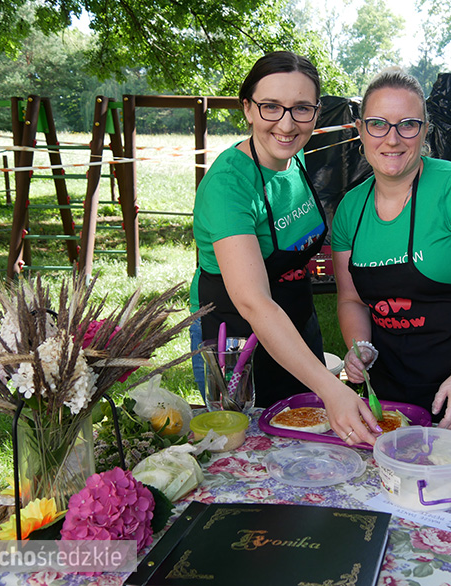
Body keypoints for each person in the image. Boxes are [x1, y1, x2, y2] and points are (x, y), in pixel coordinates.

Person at [190, 51, 381, 445]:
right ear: (247, 108)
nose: (287, 124)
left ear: (316, 112)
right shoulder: (229, 186)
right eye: (271, 107)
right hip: (236, 341)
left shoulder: (293, 158)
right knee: (249, 456)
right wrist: (331, 388)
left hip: (297, 324)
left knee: (305, 448)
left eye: (301, 109)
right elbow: (254, 302)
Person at [332, 69, 451, 430]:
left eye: (407, 125)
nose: (392, 139)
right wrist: (361, 345)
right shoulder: (350, 210)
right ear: (360, 130)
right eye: (378, 124)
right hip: (393, 371)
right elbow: (351, 299)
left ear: (425, 131)